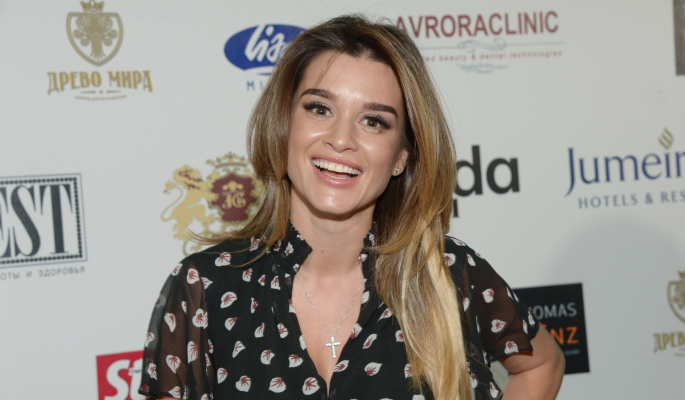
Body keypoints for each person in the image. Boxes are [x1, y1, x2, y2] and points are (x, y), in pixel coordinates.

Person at [139, 14, 564, 400]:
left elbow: (542, 365)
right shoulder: (205, 287)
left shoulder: (449, 274)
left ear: (401, 157)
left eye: (373, 121)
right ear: (284, 126)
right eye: (320, 108)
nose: (341, 139)